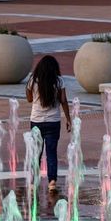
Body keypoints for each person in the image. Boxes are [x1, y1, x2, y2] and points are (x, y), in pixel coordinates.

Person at [26, 55, 72, 191]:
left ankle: (33, 182)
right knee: (51, 153)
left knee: (36, 153)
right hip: (53, 121)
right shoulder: (59, 81)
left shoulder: (33, 81)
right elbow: (63, 100)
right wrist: (68, 119)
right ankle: (52, 182)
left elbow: (29, 99)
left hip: (36, 121)